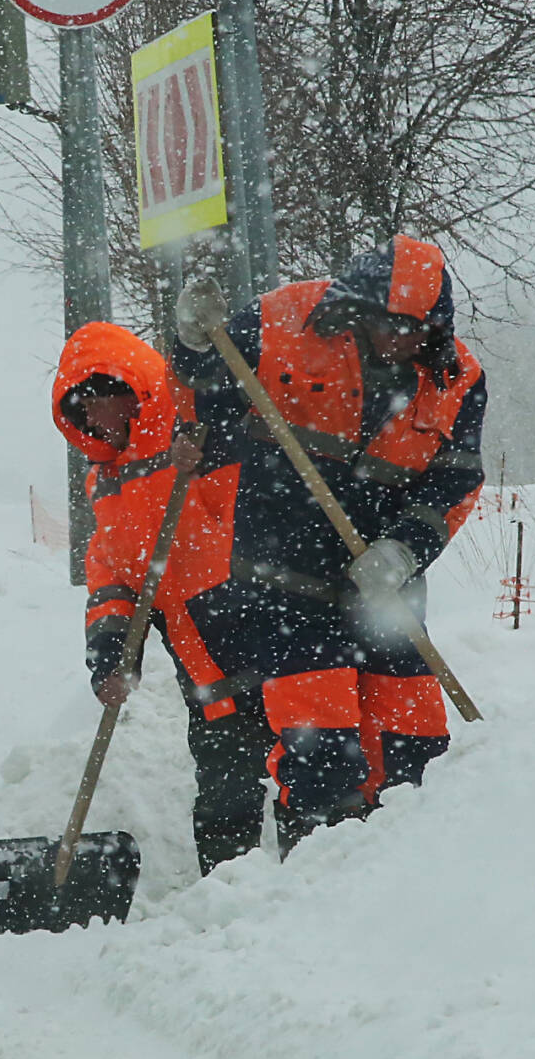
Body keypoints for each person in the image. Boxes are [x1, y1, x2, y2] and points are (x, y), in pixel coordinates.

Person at [170, 234, 487, 853]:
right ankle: (314, 873)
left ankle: (420, 868)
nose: (399, 340)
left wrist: (404, 549)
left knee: (415, 742)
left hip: (386, 589)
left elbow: (456, 481)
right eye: (388, 324)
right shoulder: (282, 321)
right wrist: (192, 344)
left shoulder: (459, 379)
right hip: (284, 583)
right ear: (359, 306)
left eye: (415, 330)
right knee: (321, 750)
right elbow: (210, 390)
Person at [52, 320, 275, 875]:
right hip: (201, 660)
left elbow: (265, 460)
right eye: (80, 411)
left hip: (265, 630)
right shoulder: (104, 480)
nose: (91, 419)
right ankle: (230, 895)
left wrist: (211, 450)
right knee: (223, 784)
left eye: (96, 402)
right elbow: (111, 576)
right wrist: (110, 657)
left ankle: (320, 884)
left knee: (313, 766)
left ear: (128, 389)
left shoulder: (193, 423)